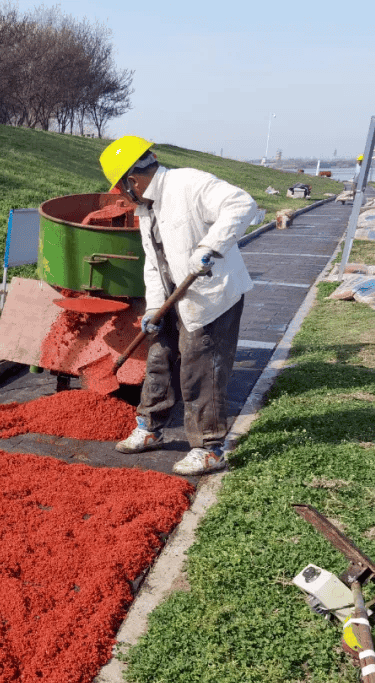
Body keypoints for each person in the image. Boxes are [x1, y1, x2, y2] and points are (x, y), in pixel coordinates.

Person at [99, 136, 257, 475]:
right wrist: (154, 308)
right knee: (159, 358)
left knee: (201, 368)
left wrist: (211, 246)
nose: (124, 197)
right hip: (173, 297)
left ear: (132, 180)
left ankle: (209, 448)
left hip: (211, 295)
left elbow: (242, 204)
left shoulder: (188, 183)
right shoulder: (146, 210)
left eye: (122, 189)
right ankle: (150, 427)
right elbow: (154, 264)